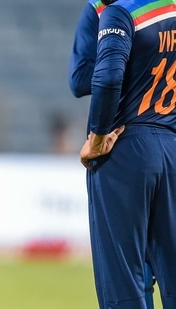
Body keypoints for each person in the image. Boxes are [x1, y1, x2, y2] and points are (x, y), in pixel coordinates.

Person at [79, 0, 176, 307]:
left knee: (122, 275)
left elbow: (107, 78)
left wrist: (97, 135)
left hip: (125, 145)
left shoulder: (121, 11)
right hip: (172, 144)